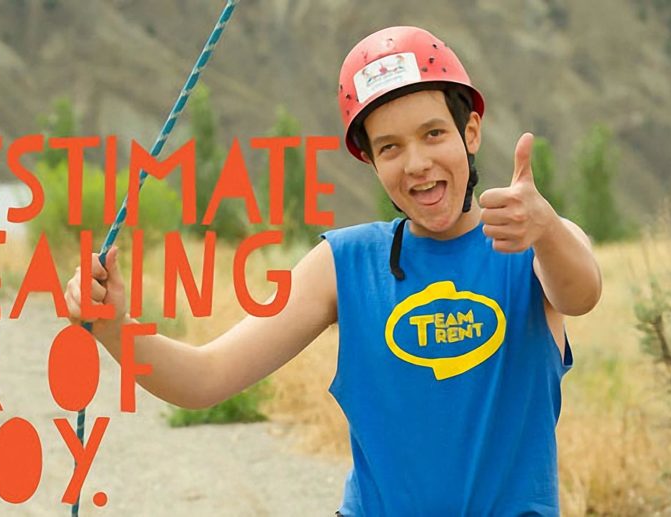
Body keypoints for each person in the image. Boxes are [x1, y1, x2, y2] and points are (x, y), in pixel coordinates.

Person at [66, 26, 601, 515]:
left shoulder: (533, 241)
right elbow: (205, 379)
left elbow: (581, 292)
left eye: (434, 134)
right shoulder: (344, 264)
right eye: (390, 147)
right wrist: (114, 326)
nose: (415, 162)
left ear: (472, 132)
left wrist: (547, 229)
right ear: (369, 160)